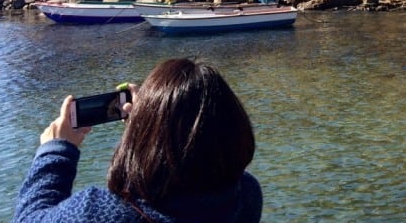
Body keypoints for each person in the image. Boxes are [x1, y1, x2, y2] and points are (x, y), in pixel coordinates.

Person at [13, 58, 262, 223]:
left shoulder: (103, 214)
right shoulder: (245, 197)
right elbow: (196, 158)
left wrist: (55, 152)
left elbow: (29, 218)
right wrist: (150, 126)